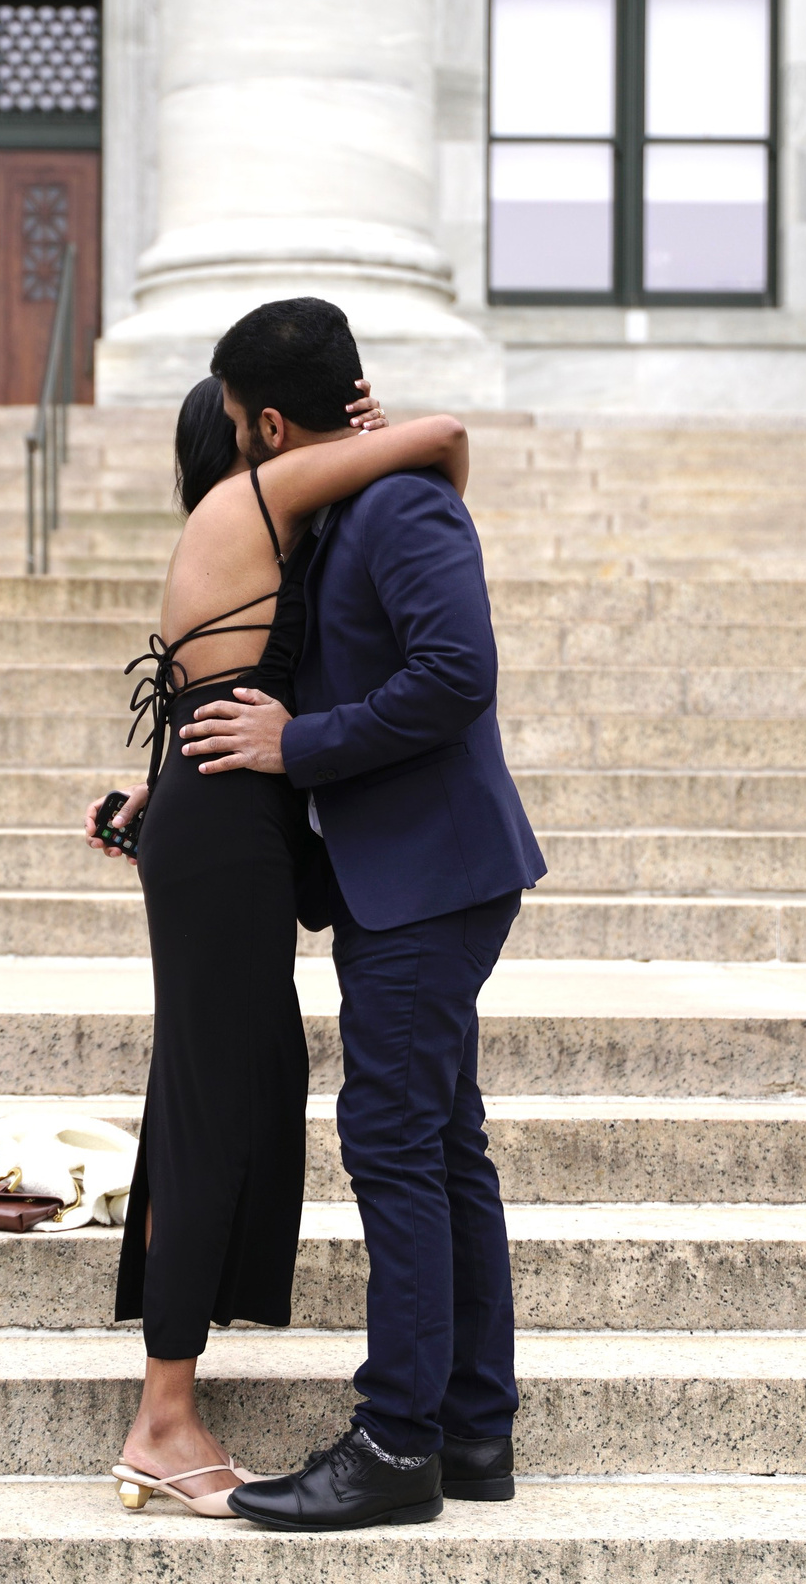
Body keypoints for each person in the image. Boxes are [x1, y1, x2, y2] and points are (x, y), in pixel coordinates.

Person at [175, 298, 546, 1534]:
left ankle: (396, 1441)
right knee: (440, 1142)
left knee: (393, 1139)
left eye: (238, 426)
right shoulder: (354, 501)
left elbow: (456, 674)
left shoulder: (402, 507)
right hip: (406, 875)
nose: (236, 445)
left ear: (269, 421)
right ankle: (472, 1428)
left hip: (433, 874)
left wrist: (298, 744)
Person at [85, 365, 472, 1518]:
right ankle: (162, 1419)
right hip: (227, 840)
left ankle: (169, 1400)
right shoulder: (247, 506)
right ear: (257, 436)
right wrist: (375, 433)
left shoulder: (258, 541)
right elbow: (444, 439)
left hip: (236, 831)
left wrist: (155, 800)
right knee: (216, 1104)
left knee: (229, 1093)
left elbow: (220, 697)